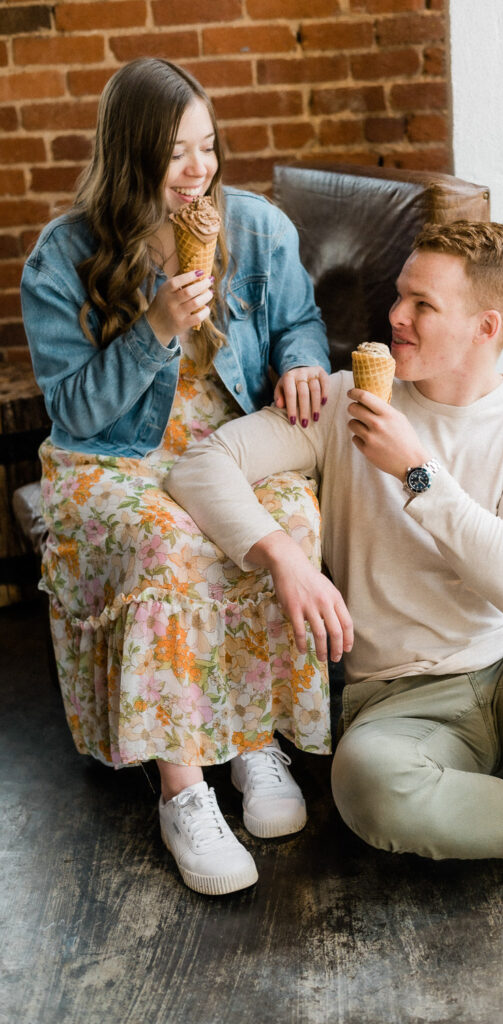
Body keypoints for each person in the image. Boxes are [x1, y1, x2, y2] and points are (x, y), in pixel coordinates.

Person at [167, 219, 503, 895]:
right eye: (400, 296)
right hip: (400, 704)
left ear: (484, 327)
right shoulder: (348, 401)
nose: (395, 317)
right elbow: (201, 464)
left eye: (422, 305)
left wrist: (416, 470)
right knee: (365, 783)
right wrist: (282, 557)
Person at [20, 57, 333, 897]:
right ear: (128, 160)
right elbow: (77, 412)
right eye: (174, 156)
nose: (200, 172)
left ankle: (254, 739)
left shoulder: (257, 229)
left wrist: (301, 363)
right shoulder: (63, 257)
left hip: (231, 437)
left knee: (291, 520)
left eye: (208, 147)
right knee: (165, 543)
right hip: (115, 453)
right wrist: (154, 327)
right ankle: (184, 788)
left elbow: (300, 318)